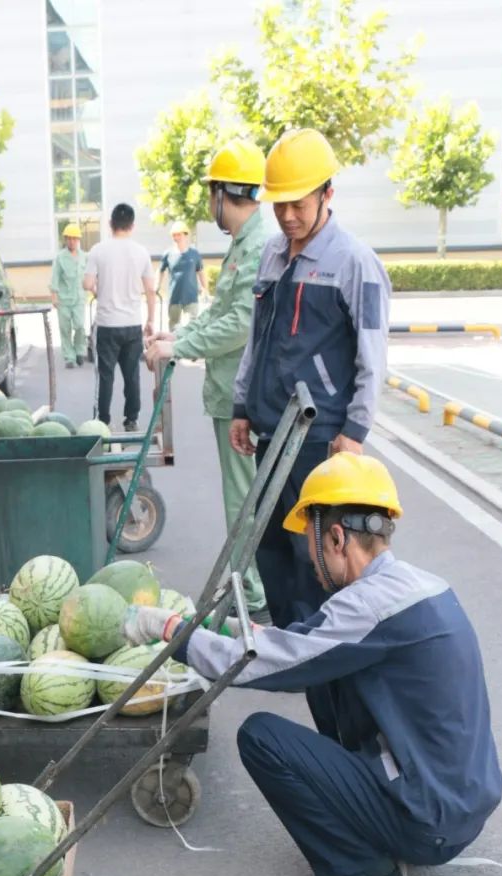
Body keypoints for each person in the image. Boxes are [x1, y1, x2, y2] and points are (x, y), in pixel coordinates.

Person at [123, 453, 502, 876]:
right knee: (324, 676)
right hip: (456, 800)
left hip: (430, 819)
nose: (310, 559)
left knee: (263, 736)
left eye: (311, 544)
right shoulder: (418, 586)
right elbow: (303, 645)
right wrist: (221, 630)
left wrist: (170, 633)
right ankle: (368, 814)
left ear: (337, 537)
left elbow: (257, 664)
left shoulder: (368, 606)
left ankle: (361, 873)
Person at [228, 129, 390, 642]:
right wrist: (241, 404)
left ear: (326, 194)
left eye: (298, 205)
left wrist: (355, 430)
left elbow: (373, 354)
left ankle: (324, 642)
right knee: (269, 540)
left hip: (319, 437)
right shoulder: (272, 255)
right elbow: (257, 341)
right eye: (280, 206)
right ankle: (290, 637)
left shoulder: (353, 261)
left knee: (315, 547)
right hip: (271, 430)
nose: (288, 217)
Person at [145, 138, 271, 624]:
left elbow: (241, 324)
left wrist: (180, 348)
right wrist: (176, 334)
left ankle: (251, 594)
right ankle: (250, 584)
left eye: (210, 193)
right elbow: (219, 313)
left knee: (243, 501)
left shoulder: (257, 245)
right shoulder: (244, 243)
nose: (209, 204)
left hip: (241, 399)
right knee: (242, 498)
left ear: (222, 193)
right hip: (229, 394)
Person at [83, 203, 156, 431]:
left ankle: (103, 420)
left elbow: (87, 283)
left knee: (105, 375)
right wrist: (151, 320)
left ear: (110, 224)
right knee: (132, 374)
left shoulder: (98, 250)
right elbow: (151, 290)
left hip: (107, 324)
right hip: (132, 323)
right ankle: (131, 419)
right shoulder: (141, 252)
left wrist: (98, 290)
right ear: (132, 225)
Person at [50, 222, 88, 369]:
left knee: (79, 326)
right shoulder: (60, 258)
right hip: (64, 300)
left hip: (79, 298)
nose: (72, 241)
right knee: (65, 328)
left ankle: (79, 351)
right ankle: (69, 357)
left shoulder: (84, 256)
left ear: (78, 240)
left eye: (74, 238)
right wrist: (54, 296)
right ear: (65, 240)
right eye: (69, 238)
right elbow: (55, 277)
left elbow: (90, 275)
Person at [157, 223, 206, 330]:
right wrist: (157, 286)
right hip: (174, 296)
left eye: (179, 235)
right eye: (174, 235)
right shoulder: (168, 254)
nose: (176, 238)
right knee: (174, 326)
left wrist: (205, 288)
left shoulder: (194, 254)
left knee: (192, 325)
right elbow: (160, 271)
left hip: (191, 296)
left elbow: (200, 271)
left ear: (186, 235)